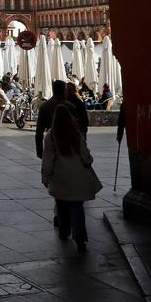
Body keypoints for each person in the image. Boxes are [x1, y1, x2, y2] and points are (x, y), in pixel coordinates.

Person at [41, 104, 100, 253]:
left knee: (62, 206)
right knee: (77, 207)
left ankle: (64, 230)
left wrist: (45, 176)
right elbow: (85, 154)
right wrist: (88, 161)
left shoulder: (51, 136)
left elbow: (48, 159)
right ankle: (80, 238)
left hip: (61, 178)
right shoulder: (75, 133)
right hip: (78, 176)